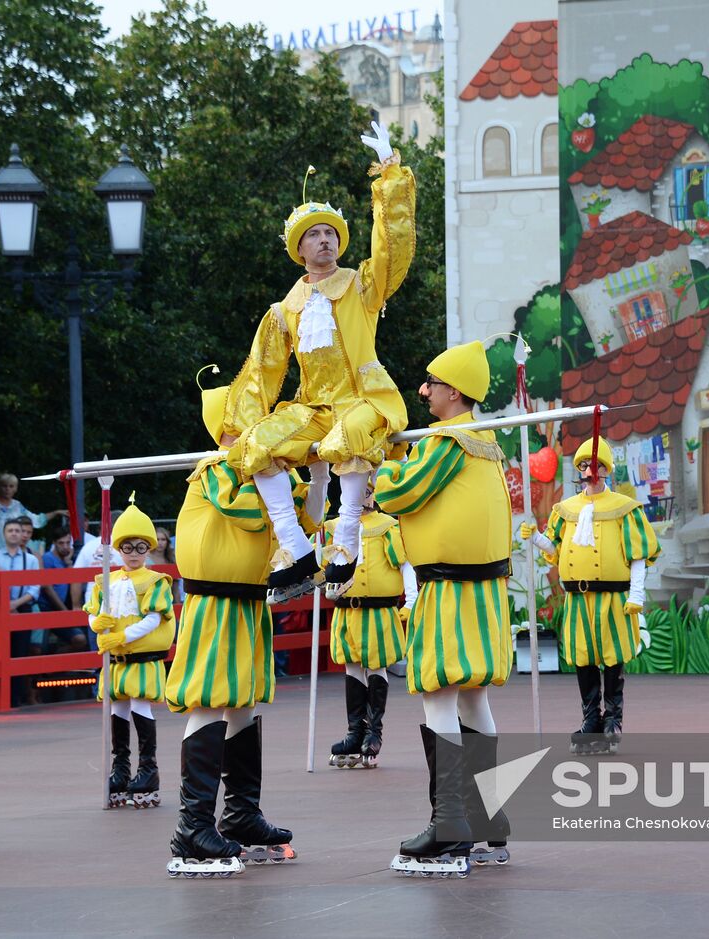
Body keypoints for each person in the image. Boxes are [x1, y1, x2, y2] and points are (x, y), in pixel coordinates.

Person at [221, 121, 415, 604]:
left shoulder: (362, 284)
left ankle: (345, 543)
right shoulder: (284, 309)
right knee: (255, 446)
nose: (325, 241)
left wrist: (388, 177)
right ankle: (297, 549)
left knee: (346, 436)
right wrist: (236, 428)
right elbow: (261, 373)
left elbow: (393, 250)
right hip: (312, 407)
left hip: (363, 399)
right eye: (315, 236)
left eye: (331, 233)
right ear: (300, 249)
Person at [163, 383, 326, 877]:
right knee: (211, 700)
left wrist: (318, 476)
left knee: (242, 704)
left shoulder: (265, 474)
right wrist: (282, 473)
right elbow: (252, 518)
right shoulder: (216, 468)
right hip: (214, 600)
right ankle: (192, 827)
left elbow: (305, 524)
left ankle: (239, 816)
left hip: (248, 602)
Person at [374, 340, 513, 876]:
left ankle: (450, 825)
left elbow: (400, 494)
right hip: (484, 592)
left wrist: (377, 460)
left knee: (438, 695)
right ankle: (488, 822)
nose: (423, 389)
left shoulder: (445, 441)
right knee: (473, 701)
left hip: (450, 591)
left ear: (453, 391)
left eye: (430, 382)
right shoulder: (485, 444)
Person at [521, 438, 661, 757]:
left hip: (612, 598)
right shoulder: (566, 510)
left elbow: (638, 554)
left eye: (596, 465)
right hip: (578, 600)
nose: (590, 471)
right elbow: (557, 550)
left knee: (612, 658)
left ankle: (613, 719)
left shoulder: (624, 509)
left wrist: (636, 594)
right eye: (584, 465)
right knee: (583, 658)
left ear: (606, 469)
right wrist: (537, 538)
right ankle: (590, 720)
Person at [85, 497, 176, 809]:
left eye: (140, 547)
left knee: (140, 706)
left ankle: (147, 769)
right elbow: (93, 611)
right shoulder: (105, 581)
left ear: (148, 549)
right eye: (127, 547)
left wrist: (122, 636)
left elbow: (154, 618)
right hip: (116, 661)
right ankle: (121, 769)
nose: (134, 554)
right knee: (118, 710)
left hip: (140, 657)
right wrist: (97, 623)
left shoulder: (155, 582)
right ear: (118, 549)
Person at [323, 483, 415, 768]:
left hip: (378, 610)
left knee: (375, 666)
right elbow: (321, 563)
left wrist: (410, 600)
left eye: (368, 487)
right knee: (351, 666)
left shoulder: (387, 525)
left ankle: (374, 733)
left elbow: (405, 563)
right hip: (347, 611)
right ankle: (355, 732)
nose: (363, 493)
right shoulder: (334, 526)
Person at [0, 517, 41, 706]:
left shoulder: (31, 560)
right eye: (10, 530)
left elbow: (34, 587)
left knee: (20, 653)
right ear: (4, 534)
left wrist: (15, 604)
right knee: (0, 652)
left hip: (22, 606)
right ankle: (1, 697)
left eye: (17, 530)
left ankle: (17, 698)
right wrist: (5, 605)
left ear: (22, 535)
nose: (13, 533)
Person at [0, 473, 67, 549]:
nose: (7, 489)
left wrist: (56, 512)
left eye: (11, 486)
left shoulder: (17, 506)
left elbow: (36, 520)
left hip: (12, 548)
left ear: (16, 488)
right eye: (4, 486)